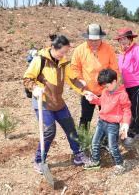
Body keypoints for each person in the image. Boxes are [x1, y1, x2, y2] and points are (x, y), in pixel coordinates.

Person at [23, 35, 89, 174]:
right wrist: (34, 88)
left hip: (58, 102)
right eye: (62, 52)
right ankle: (39, 160)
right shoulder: (40, 60)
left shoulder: (63, 62)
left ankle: (78, 155)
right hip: (44, 102)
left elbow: (72, 79)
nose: (64, 55)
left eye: (66, 52)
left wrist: (85, 91)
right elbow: (27, 78)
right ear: (53, 48)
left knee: (70, 128)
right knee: (49, 132)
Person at [71, 24, 119, 130]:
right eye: (91, 40)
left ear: (101, 38)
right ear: (87, 38)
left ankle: (106, 142)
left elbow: (114, 69)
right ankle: (83, 142)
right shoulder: (80, 50)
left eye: (96, 40)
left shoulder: (108, 49)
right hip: (88, 91)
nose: (94, 43)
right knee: (85, 118)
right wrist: (82, 83)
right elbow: (74, 68)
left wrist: (111, 87)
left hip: (106, 91)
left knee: (108, 118)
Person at [83, 69, 131, 175]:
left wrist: (125, 124)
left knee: (113, 147)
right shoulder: (105, 91)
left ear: (114, 82)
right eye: (104, 86)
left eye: (107, 86)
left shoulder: (122, 95)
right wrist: (93, 99)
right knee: (94, 143)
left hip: (112, 126)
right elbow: (101, 101)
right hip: (101, 122)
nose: (105, 88)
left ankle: (120, 164)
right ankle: (96, 161)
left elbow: (127, 110)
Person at [114, 28, 139, 147]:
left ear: (130, 38)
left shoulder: (137, 49)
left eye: (124, 39)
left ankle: (130, 134)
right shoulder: (121, 52)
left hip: (137, 84)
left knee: (133, 110)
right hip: (125, 85)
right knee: (130, 109)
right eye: (120, 39)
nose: (122, 41)